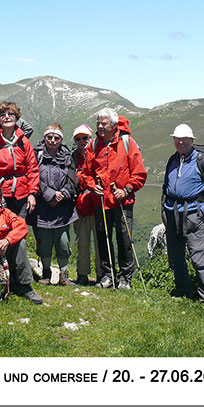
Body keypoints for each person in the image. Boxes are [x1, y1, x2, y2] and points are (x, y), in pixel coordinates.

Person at [82, 108, 147, 290]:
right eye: (98, 123)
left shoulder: (127, 143)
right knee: (103, 239)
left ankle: (125, 278)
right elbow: (86, 172)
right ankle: (107, 276)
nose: (100, 126)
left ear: (114, 124)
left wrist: (126, 190)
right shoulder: (94, 145)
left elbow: (139, 173)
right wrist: (91, 186)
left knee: (124, 240)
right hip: (101, 201)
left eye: (104, 123)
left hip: (122, 202)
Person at [162, 124, 204, 305]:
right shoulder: (173, 160)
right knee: (176, 257)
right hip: (173, 216)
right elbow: (166, 187)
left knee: (199, 259)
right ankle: (184, 291)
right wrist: (165, 210)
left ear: (191, 140)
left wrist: (200, 212)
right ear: (174, 140)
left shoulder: (202, 161)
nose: (180, 142)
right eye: (177, 138)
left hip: (193, 216)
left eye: (184, 139)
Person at [28, 124, 78, 286]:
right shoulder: (37, 155)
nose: (52, 140)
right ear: (45, 137)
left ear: (61, 140)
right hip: (43, 207)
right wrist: (49, 194)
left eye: (56, 138)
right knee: (45, 243)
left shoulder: (67, 156)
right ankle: (46, 273)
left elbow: (72, 180)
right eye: (49, 137)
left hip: (62, 208)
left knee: (63, 243)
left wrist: (61, 195)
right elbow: (33, 176)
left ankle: (64, 275)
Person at [0, 101, 39, 219]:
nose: (6, 117)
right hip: (0, 193)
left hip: (22, 194)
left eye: (10, 114)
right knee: (1, 227)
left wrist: (32, 193)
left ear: (16, 117)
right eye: (2, 115)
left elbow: (32, 168)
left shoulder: (22, 140)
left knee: (19, 230)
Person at [71, 124, 102, 286]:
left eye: (85, 138)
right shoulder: (72, 158)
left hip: (97, 206)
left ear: (91, 138)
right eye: (78, 139)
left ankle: (101, 274)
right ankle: (82, 274)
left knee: (99, 243)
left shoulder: (99, 154)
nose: (82, 141)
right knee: (82, 243)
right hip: (80, 208)